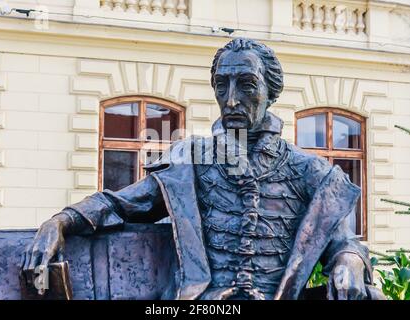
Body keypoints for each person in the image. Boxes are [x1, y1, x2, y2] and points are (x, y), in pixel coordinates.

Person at [21, 38, 381, 300]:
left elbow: (345, 243)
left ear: (271, 93)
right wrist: (61, 221)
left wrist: (348, 263)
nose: (231, 99)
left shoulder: (309, 172)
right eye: (221, 85)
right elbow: (120, 204)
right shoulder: (191, 161)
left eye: (246, 84)